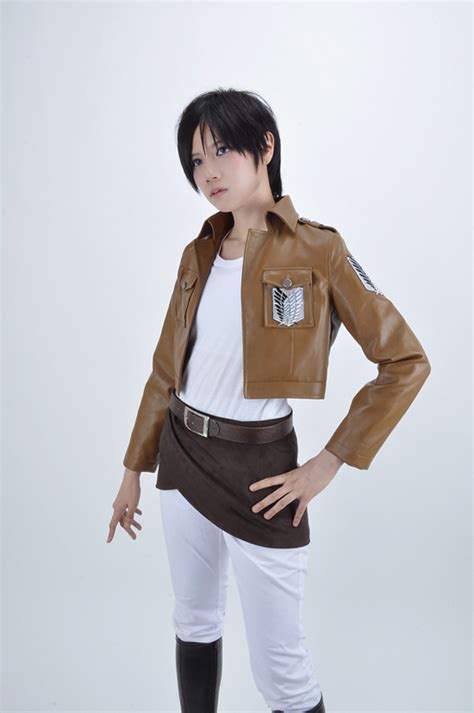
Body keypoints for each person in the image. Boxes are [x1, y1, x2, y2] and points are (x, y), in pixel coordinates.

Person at [107, 88, 431, 713]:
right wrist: (131, 470)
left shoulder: (319, 249)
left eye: (221, 150)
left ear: (265, 146)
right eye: (196, 159)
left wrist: (326, 464)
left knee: (282, 671)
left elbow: (405, 362)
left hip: (264, 477)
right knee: (193, 621)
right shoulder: (198, 255)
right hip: (181, 459)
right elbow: (164, 371)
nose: (207, 171)